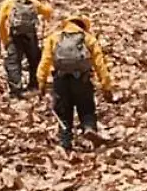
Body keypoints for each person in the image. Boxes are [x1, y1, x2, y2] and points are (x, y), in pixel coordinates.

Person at [37, 14, 113, 151]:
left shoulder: (54, 38)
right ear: (83, 25)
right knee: (87, 108)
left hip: (60, 81)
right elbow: (100, 64)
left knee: (63, 112)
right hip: (82, 81)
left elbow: (45, 61)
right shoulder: (88, 39)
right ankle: (88, 127)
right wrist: (106, 86)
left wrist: (41, 83)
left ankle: (65, 142)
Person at [0, 0, 54, 98]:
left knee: (13, 63)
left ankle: (16, 90)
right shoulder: (33, 3)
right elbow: (48, 12)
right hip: (30, 35)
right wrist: (47, 4)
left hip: (15, 36)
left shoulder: (8, 3)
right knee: (35, 60)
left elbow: (0, 25)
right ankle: (34, 85)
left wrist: (5, 41)